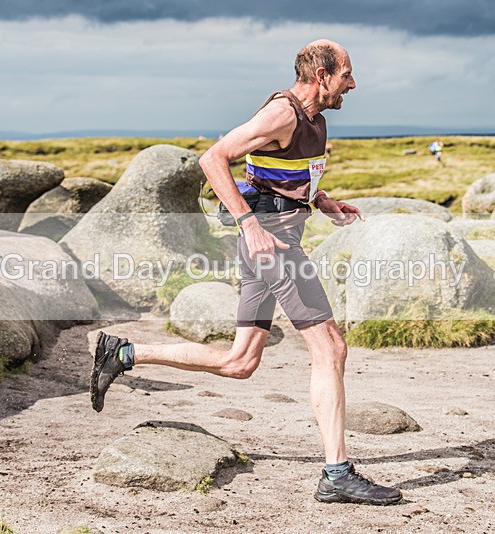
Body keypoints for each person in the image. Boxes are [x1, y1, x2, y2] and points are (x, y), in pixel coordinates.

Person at [90, 39, 403, 506]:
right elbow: (212, 159)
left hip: (274, 240)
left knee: (240, 362)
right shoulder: (282, 114)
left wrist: (321, 200)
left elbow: (276, 176)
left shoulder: (314, 120)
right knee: (331, 347)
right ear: (321, 75)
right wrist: (249, 224)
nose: (353, 83)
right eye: (346, 74)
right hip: (273, 245)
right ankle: (337, 475)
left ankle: (124, 352)